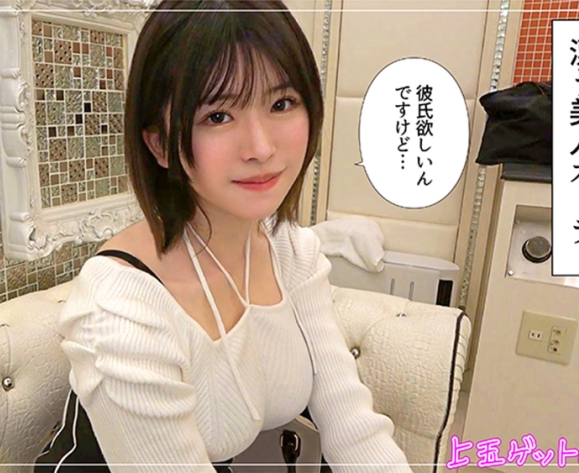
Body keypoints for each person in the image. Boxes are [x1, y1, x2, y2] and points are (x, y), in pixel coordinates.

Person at [48, 0, 414, 471]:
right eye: (218, 116)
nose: (260, 148)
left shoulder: (291, 252)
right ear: (159, 144)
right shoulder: (120, 308)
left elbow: (352, 424)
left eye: (281, 104)